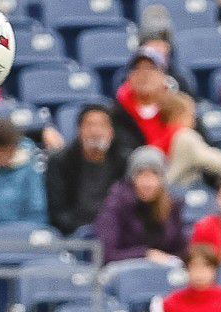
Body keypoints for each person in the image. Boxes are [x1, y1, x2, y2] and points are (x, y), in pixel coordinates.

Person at [96, 147, 187, 264]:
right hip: (123, 274)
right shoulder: (115, 206)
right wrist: (145, 254)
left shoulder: (171, 205)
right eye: (142, 174)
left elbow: (180, 249)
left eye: (154, 175)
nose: (148, 182)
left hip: (163, 272)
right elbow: (107, 254)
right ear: (132, 178)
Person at [46, 105, 125, 235]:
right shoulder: (61, 162)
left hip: (116, 232)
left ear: (112, 132)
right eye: (89, 125)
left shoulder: (123, 161)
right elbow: (58, 211)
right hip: (73, 233)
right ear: (79, 130)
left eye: (102, 125)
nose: (96, 132)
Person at [113, 48, 179, 156]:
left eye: (151, 68)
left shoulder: (179, 110)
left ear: (164, 76)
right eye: (137, 68)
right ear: (129, 77)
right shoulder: (116, 114)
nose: (144, 74)